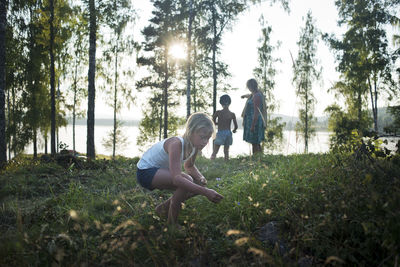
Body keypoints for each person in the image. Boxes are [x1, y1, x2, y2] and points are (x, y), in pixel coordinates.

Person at [136, 112, 224, 226]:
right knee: (185, 180)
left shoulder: (194, 146)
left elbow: (189, 166)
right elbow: (177, 179)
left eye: (207, 138)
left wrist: (201, 178)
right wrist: (205, 192)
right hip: (145, 172)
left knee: (196, 183)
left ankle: (162, 209)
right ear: (191, 131)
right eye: (202, 137)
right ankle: (172, 224)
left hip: (160, 172)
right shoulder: (176, 144)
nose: (205, 142)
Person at [241, 78, 266, 155]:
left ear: (250, 86)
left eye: (248, 86)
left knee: (255, 142)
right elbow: (250, 96)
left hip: (255, 121)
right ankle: (259, 157)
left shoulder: (257, 96)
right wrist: (244, 96)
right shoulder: (254, 94)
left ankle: (256, 158)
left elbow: (256, 112)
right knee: (255, 142)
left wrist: (252, 125)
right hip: (252, 120)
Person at [210, 94, 238, 161]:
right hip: (228, 133)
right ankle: (226, 161)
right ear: (230, 103)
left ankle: (212, 160)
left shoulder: (218, 113)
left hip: (220, 133)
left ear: (221, 103)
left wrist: (218, 123)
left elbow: (212, 122)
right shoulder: (232, 114)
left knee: (215, 150)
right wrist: (234, 130)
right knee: (226, 151)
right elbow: (236, 126)